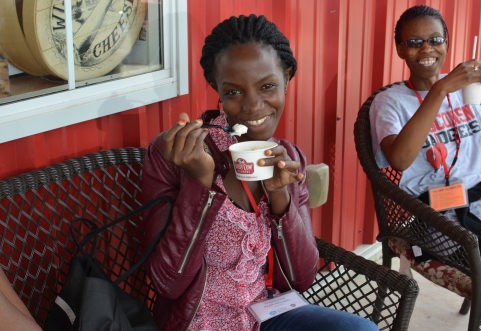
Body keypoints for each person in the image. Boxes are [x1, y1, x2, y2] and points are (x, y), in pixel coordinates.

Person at [142, 13, 378, 331]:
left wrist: (279, 194)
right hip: (201, 322)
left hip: (267, 315)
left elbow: (300, 277)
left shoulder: (289, 156)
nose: (253, 106)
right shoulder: (177, 155)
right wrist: (199, 185)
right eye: (234, 92)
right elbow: (167, 284)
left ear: (287, 79)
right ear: (217, 89)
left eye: (267, 86)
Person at [370, 5, 481, 281]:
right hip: (443, 220)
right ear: (400, 49)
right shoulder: (388, 103)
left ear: (446, 43)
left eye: (435, 40)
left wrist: (449, 87)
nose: (427, 49)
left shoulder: (464, 92)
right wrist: (439, 90)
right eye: (415, 43)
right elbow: (400, 159)